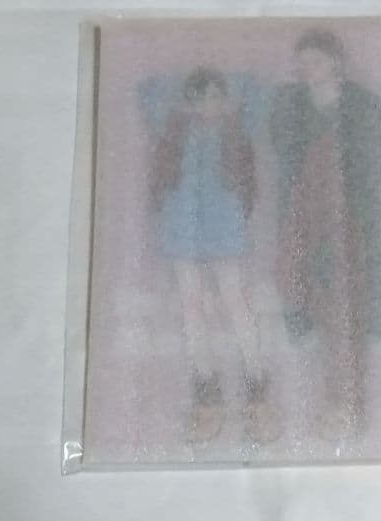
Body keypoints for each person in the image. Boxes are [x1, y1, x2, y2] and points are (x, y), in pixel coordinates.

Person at [270, 30, 381, 439]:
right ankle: (331, 404)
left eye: (315, 61)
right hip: (306, 217)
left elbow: (374, 166)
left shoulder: (362, 104)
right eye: (302, 63)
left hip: (350, 220)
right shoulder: (291, 105)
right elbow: (283, 154)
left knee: (348, 309)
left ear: (336, 61)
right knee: (316, 304)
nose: (307, 70)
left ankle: (348, 407)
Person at [150, 67, 280, 443]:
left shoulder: (237, 126)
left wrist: (227, 90)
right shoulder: (175, 128)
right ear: (188, 102)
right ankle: (205, 386)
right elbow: (148, 91)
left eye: (216, 97)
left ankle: (257, 382)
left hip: (224, 224)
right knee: (191, 306)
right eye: (200, 98)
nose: (209, 105)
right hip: (182, 225)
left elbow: (257, 90)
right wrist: (185, 93)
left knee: (235, 301)